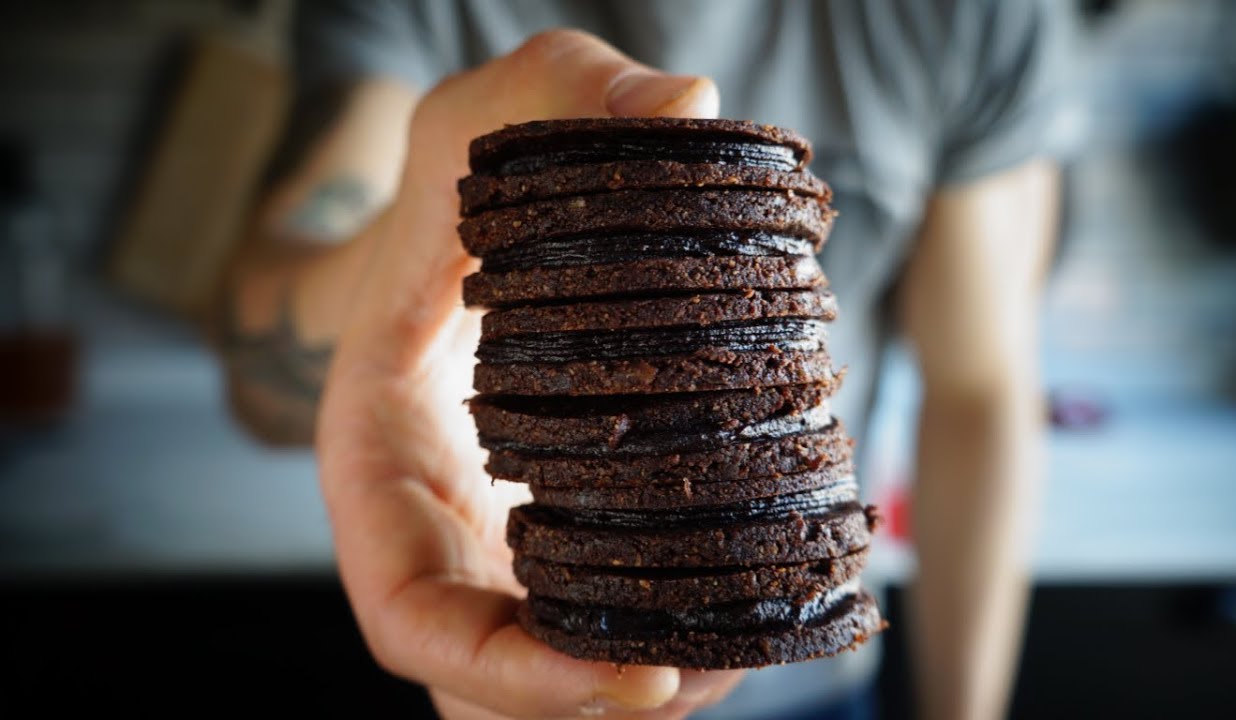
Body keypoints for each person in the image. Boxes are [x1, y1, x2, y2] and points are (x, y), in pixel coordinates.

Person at [217, 1, 1075, 718]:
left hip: (809, 683)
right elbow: (263, 337)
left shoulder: (972, 14)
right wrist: (395, 299)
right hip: (521, 659)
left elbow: (979, 393)